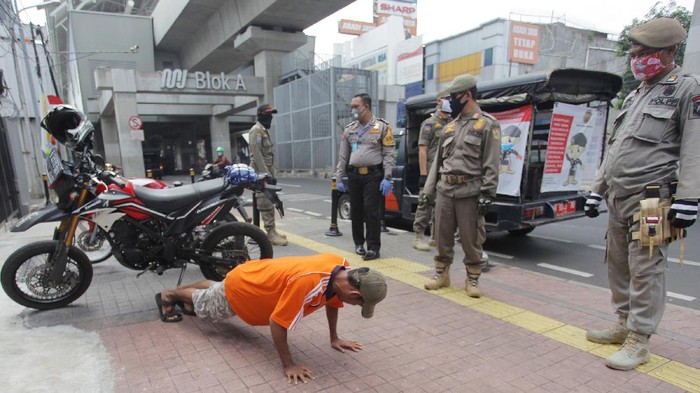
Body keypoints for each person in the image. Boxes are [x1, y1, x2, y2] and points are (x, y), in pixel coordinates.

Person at [583, 18, 700, 371]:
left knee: (646, 268)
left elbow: (695, 147)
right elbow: (616, 147)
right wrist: (596, 190)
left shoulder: (686, 90)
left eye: (644, 53)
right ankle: (623, 323)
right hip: (618, 196)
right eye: (634, 53)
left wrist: (689, 197)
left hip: (653, 198)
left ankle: (640, 340)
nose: (636, 59)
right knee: (618, 264)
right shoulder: (637, 93)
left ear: (668, 52)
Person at [155, 253, 388, 384]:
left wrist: (334, 338)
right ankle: (169, 295)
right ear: (355, 293)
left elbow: (332, 302)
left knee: (217, 292)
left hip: (254, 275)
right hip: (244, 289)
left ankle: (185, 291)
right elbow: (277, 323)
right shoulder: (309, 283)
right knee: (208, 305)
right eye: (359, 304)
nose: (354, 305)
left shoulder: (341, 267)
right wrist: (289, 365)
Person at [420, 74, 501, 298]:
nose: (450, 102)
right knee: (442, 236)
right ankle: (442, 275)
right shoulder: (449, 127)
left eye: (454, 97)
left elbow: (492, 162)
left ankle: (472, 278)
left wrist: (488, 192)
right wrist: (428, 191)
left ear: (467, 96)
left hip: (470, 192)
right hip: (445, 190)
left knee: (471, 239)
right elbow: (437, 163)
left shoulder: (487, 124)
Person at [336, 93, 396, 261]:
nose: (353, 110)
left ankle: (373, 247)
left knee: (371, 211)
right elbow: (343, 156)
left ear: (366, 107)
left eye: (356, 106)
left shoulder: (383, 127)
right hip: (354, 175)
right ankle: (359, 243)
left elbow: (388, 153)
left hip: (373, 175)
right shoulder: (350, 129)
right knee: (356, 210)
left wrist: (387, 176)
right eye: (352, 107)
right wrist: (339, 178)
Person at [412, 96, 452, 251]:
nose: (448, 101)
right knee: (425, 202)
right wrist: (423, 174)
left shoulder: (451, 123)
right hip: (431, 171)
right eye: (446, 98)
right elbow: (423, 149)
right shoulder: (429, 124)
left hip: (446, 170)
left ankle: (435, 237)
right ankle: (418, 236)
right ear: (439, 101)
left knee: (441, 205)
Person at [249, 103, 287, 246]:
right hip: (260, 172)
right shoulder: (256, 130)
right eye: (268, 115)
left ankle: (272, 231)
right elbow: (256, 154)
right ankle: (270, 234)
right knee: (264, 201)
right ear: (261, 115)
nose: (270, 118)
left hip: (266, 171)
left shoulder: (263, 130)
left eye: (271, 115)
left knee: (270, 200)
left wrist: (271, 173)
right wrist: (265, 173)